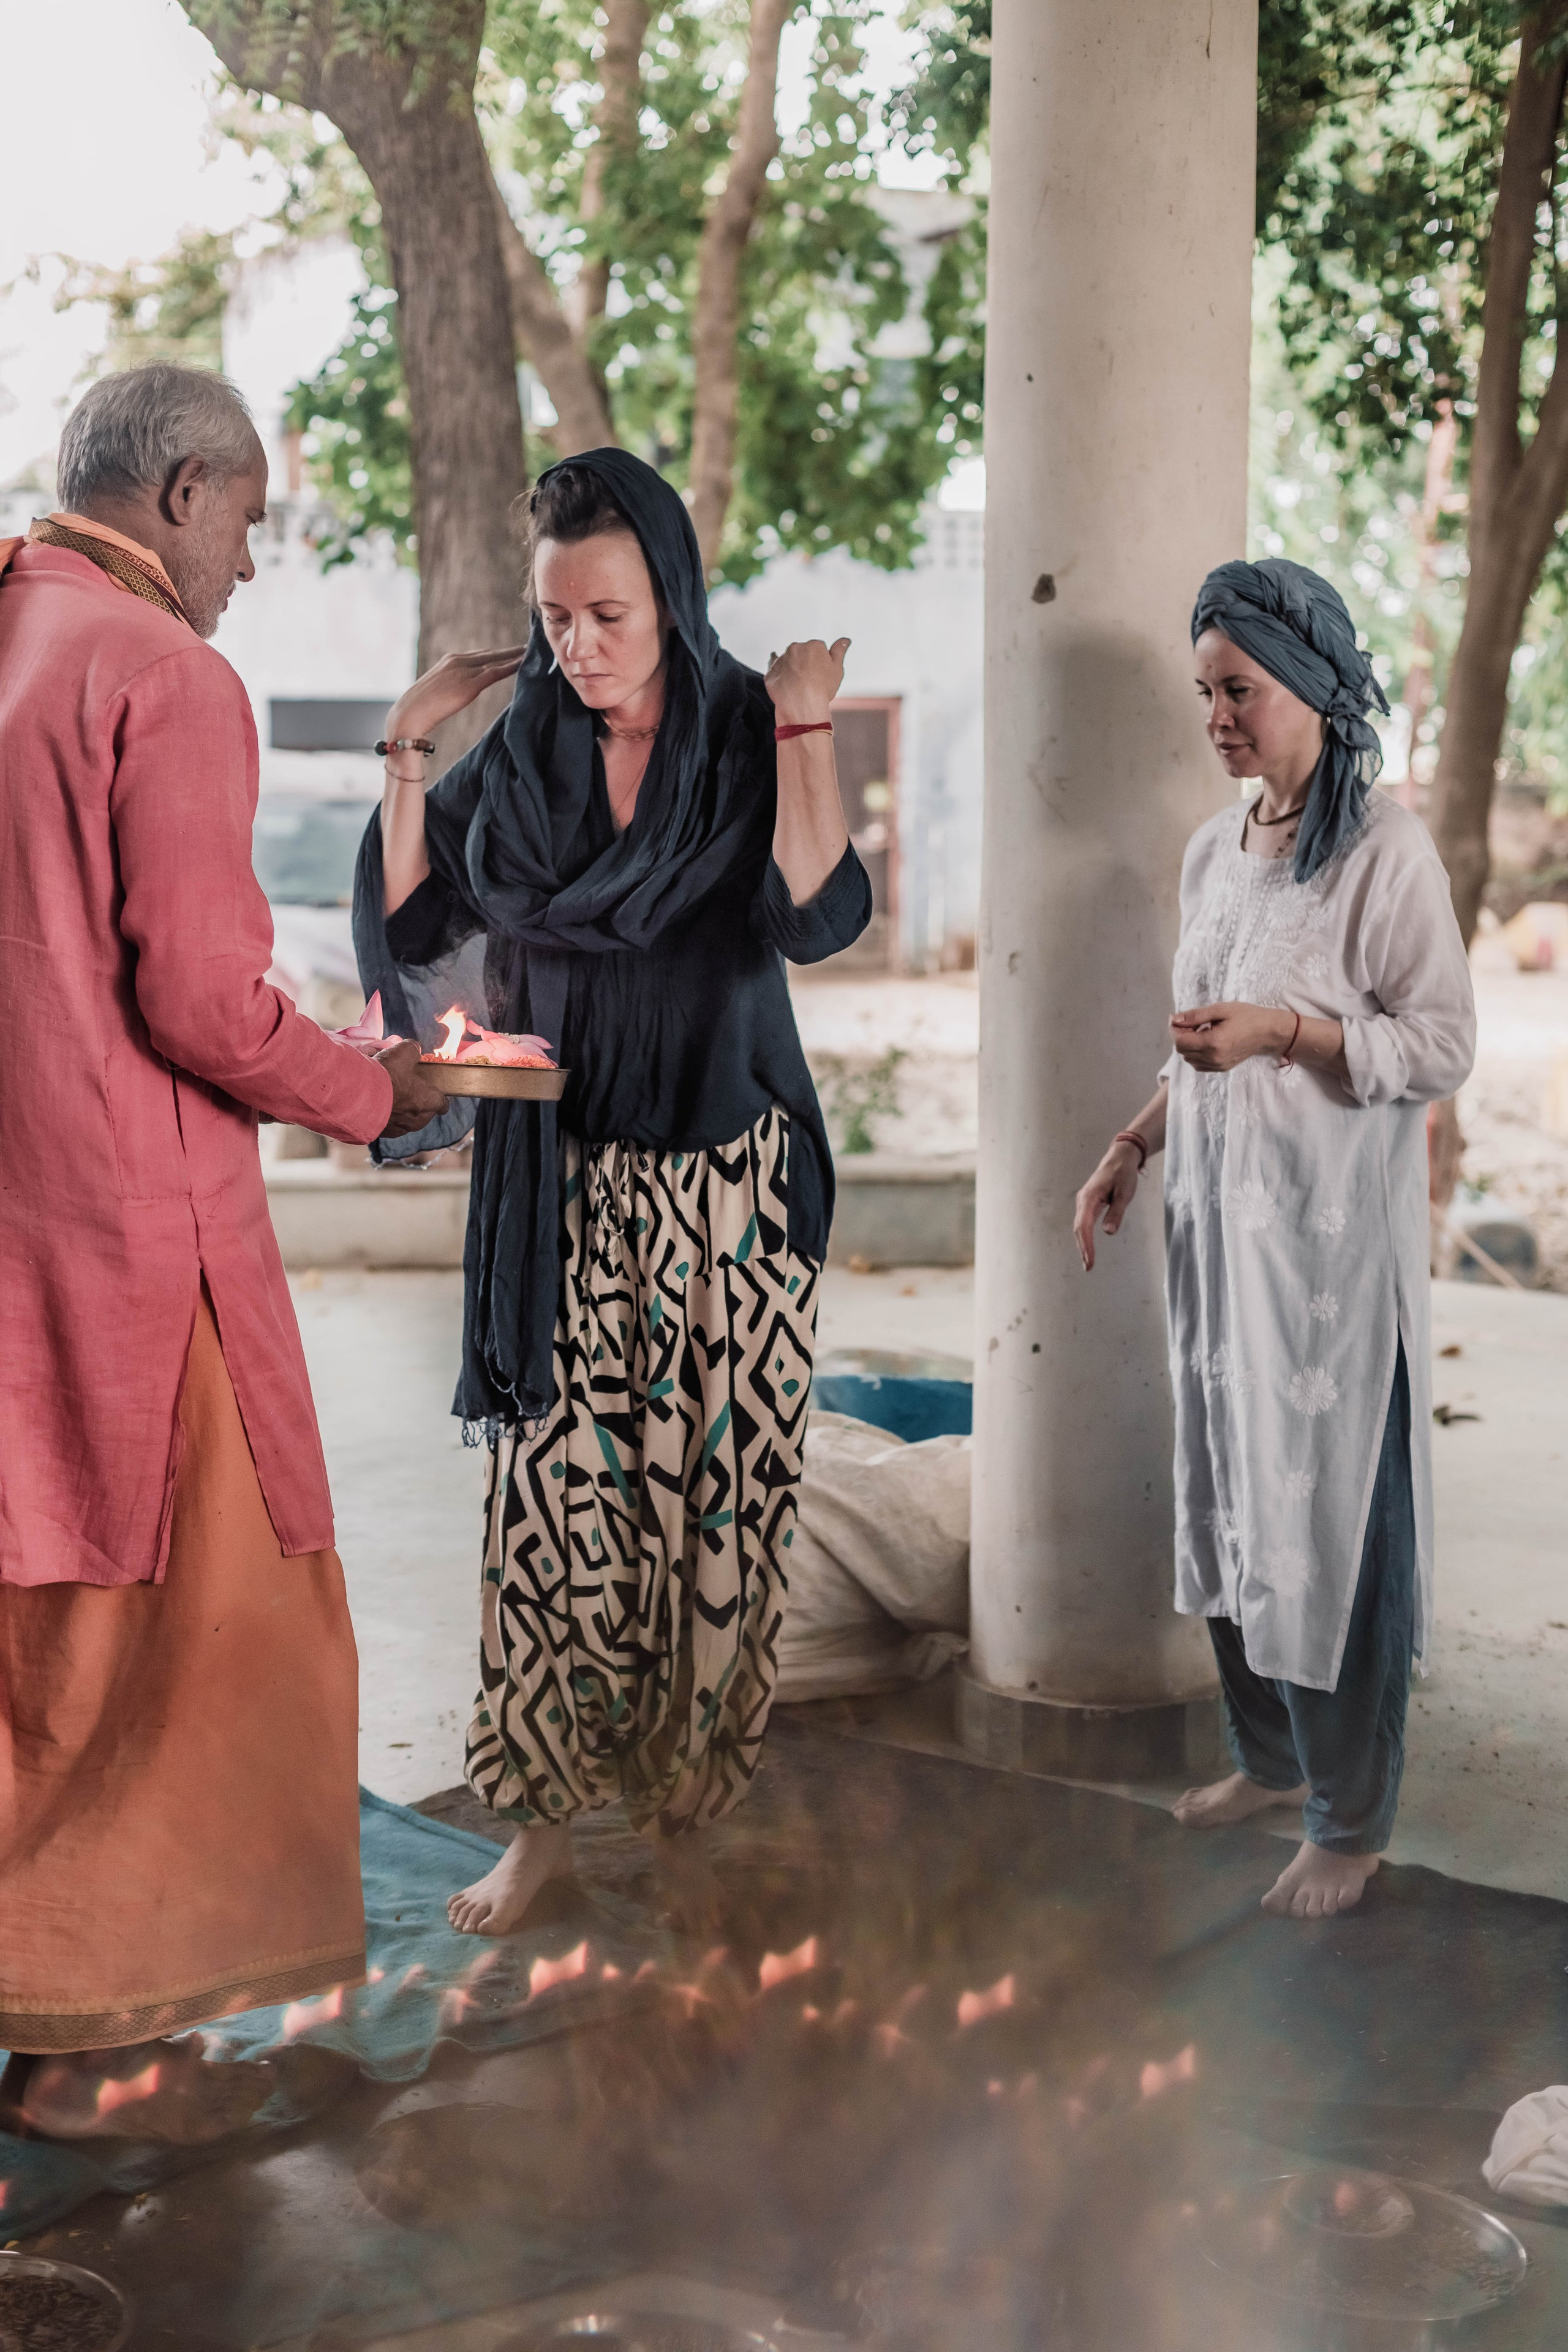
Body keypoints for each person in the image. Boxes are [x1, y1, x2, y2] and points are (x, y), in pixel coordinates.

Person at [0, 363, 446, 2140]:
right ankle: (99, 2045)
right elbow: (193, 993)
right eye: (251, 521)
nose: (253, 564)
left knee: (38, 1623)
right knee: (217, 1639)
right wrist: (380, 1092)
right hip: (130, 1235)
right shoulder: (164, 674)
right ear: (183, 492)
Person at [356, 447, 870, 1935]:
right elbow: (411, 924)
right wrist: (406, 754)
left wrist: (805, 721)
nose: (578, 647)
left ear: (670, 595)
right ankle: (545, 1831)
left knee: (715, 1519)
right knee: (547, 1519)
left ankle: (688, 1824)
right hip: (560, 1188)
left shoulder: (733, 730)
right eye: (556, 617)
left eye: (608, 616)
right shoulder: (519, 754)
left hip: (726, 1184)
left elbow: (813, 910)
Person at [1073, 559, 1475, 1921]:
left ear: (1310, 685)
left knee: (1332, 1526)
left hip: (1324, 1270)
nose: (1217, 717)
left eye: (1237, 689)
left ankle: (1347, 1819)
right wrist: (1131, 1144)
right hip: (1215, 1251)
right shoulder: (1212, 849)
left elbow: (1438, 1045)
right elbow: (1197, 1044)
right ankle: (1264, 1759)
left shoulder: (1383, 855)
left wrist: (1287, 1035)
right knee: (1232, 1504)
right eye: (1204, 693)